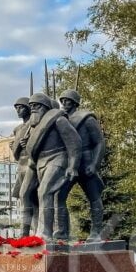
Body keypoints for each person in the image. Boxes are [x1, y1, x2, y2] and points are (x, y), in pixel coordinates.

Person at [25, 93, 81, 240]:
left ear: (45, 107)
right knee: (41, 193)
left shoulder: (59, 120)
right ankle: (46, 231)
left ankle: (45, 233)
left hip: (58, 158)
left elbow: (74, 143)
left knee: (44, 192)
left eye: (36, 106)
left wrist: (73, 166)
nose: (33, 109)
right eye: (31, 106)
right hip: (41, 162)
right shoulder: (35, 127)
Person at [58, 89, 107, 241]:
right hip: (69, 161)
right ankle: (62, 232)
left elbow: (99, 142)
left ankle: (96, 232)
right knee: (59, 196)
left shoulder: (87, 119)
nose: (64, 103)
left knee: (94, 197)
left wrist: (94, 163)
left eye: (67, 100)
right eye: (62, 100)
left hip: (86, 160)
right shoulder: (62, 119)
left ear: (74, 102)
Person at [10, 97, 39, 236]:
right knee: (29, 201)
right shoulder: (17, 130)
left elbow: (38, 147)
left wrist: (28, 145)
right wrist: (14, 147)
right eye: (16, 108)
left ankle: (25, 234)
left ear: (28, 108)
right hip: (20, 165)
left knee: (27, 196)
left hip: (31, 165)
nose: (18, 110)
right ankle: (35, 232)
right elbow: (16, 156)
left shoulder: (35, 125)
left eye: (21, 107)